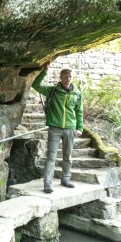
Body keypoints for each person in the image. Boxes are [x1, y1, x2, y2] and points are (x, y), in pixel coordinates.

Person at [32, 65, 83, 193]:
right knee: (51, 157)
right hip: (55, 127)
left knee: (68, 156)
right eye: (65, 76)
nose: (68, 78)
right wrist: (44, 72)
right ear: (60, 78)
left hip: (70, 128)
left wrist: (79, 128)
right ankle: (47, 184)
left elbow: (79, 112)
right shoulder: (52, 90)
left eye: (70, 76)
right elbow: (35, 85)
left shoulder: (76, 93)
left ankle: (66, 179)